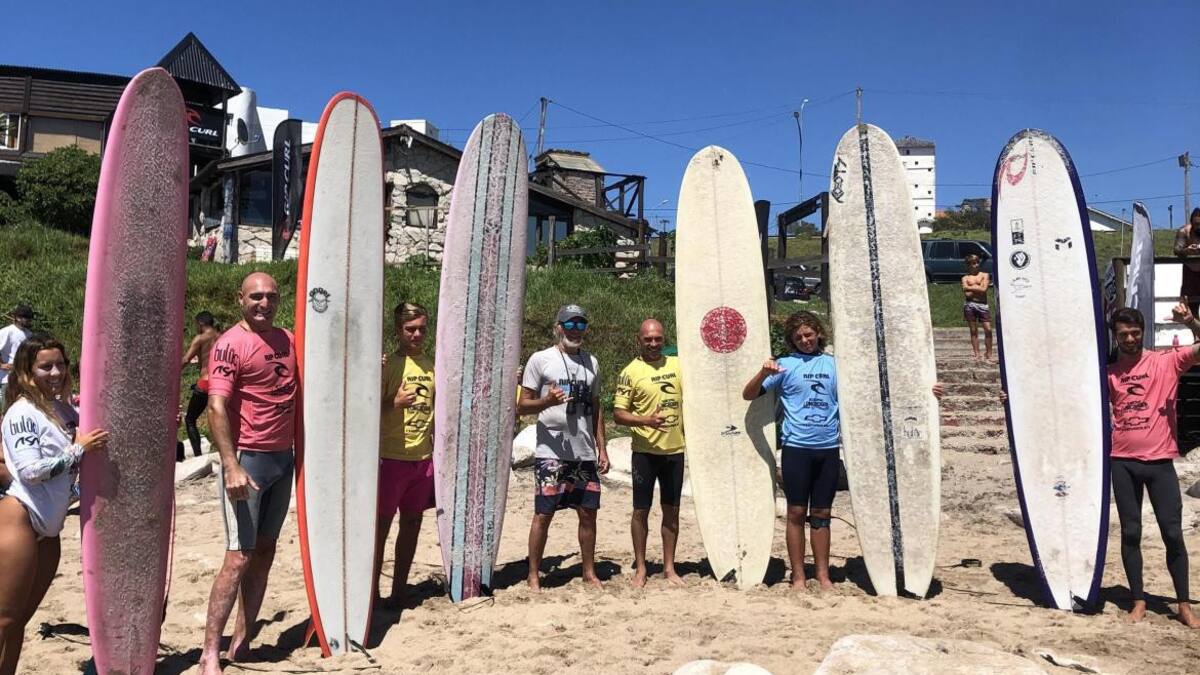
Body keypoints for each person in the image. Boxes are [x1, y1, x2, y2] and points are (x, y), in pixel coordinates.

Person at [742, 311, 943, 591]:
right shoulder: (783, 366)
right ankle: (799, 576)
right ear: (791, 339)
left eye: (809, 335)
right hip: (796, 449)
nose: (805, 340)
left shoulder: (836, 365)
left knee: (822, 514)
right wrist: (763, 372)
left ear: (819, 334)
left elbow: (875, 390)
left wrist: (925, 391)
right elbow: (748, 394)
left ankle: (823, 575)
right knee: (796, 513)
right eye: (798, 337)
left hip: (827, 450)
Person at [198, 273, 297, 674]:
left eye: (271, 296)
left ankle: (243, 640)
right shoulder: (228, 345)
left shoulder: (288, 338)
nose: (264, 303)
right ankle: (209, 652)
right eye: (256, 296)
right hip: (248, 461)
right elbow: (215, 407)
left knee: (266, 551)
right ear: (240, 299)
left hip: (283, 460)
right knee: (239, 557)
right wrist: (230, 464)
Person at [0, 337, 109, 674]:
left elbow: (99, 443)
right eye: (45, 366)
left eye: (60, 364)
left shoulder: (65, 411)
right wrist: (78, 450)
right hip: (20, 518)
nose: (56, 372)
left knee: (19, 621)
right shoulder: (21, 413)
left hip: (50, 530)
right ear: (26, 371)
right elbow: (32, 472)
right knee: (3, 621)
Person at [1107, 302, 1200, 628]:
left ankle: (1184, 605)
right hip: (1122, 462)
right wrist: (1012, 397)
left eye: (1135, 332)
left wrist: (1192, 322)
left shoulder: (1167, 362)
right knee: (1130, 533)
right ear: (1115, 336)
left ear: (1143, 332)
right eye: (1123, 334)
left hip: (1160, 463)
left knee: (1173, 534)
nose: (1130, 338)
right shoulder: (1109, 373)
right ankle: (1138, 600)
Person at [519, 304, 609, 590]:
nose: (575, 331)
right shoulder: (540, 359)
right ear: (558, 327)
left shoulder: (592, 362)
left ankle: (588, 572)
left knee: (588, 513)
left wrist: (602, 448)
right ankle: (534, 574)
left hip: (583, 453)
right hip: (552, 453)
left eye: (580, 325)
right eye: (569, 325)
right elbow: (521, 406)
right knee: (543, 514)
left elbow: (596, 408)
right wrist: (546, 402)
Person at [613, 319, 685, 588]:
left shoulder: (678, 364)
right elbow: (618, 414)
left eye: (658, 339)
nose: (654, 344)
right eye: (648, 340)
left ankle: (669, 567)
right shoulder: (630, 372)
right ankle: (641, 567)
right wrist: (644, 421)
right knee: (640, 511)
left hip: (674, 451)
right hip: (644, 454)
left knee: (672, 511)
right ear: (639, 340)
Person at [373, 302, 435, 609]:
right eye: (411, 329)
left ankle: (399, 590)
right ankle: (370, 592)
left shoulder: (432, 365)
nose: (418, 334)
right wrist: (393, 403)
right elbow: (367, 410)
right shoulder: (387, 365)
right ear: (398, 331)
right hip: (390, 459)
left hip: (422, 460)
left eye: (422, 328)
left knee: (411, 525)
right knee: (380, 529)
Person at [180, 311, 222, 461]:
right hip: (220, 383)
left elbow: (186, 359)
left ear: (200, 323)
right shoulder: (221, 336)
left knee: (190, 419)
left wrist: (172, 373)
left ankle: (198, 457)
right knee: (219, 418)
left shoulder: (200, 338)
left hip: (205, 383)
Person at [0, 305, 34, 408]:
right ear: (18, 318)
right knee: (7, 408)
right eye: (26, 318)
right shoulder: (7, 331)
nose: (28, 321)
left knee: (23, 406)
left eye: (29, 318)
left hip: (24, 376)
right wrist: (1, 365)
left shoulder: (29, 334)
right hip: (8, 377)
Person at [960, 254, 993, 361]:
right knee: (973, 330)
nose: (976, 265)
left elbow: (984, 290)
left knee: (988, 329)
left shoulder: (984, 275)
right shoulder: (965, 278)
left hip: (983, 305)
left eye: (977, 263)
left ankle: (988, 353)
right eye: (974, 263)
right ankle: (977, 353)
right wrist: (977, 287)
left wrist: (970, 287)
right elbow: (967, 295)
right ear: (968, 265)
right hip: (970, 305)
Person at [1173, 208, 1200, 316]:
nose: (1199, 227)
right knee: (1190, 308)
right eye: (1196, 224)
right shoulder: (1184, 231)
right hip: (1190, 271)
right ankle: (1197, 333)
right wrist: (1187, 250)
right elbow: (1177, 250)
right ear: (1192, 223)